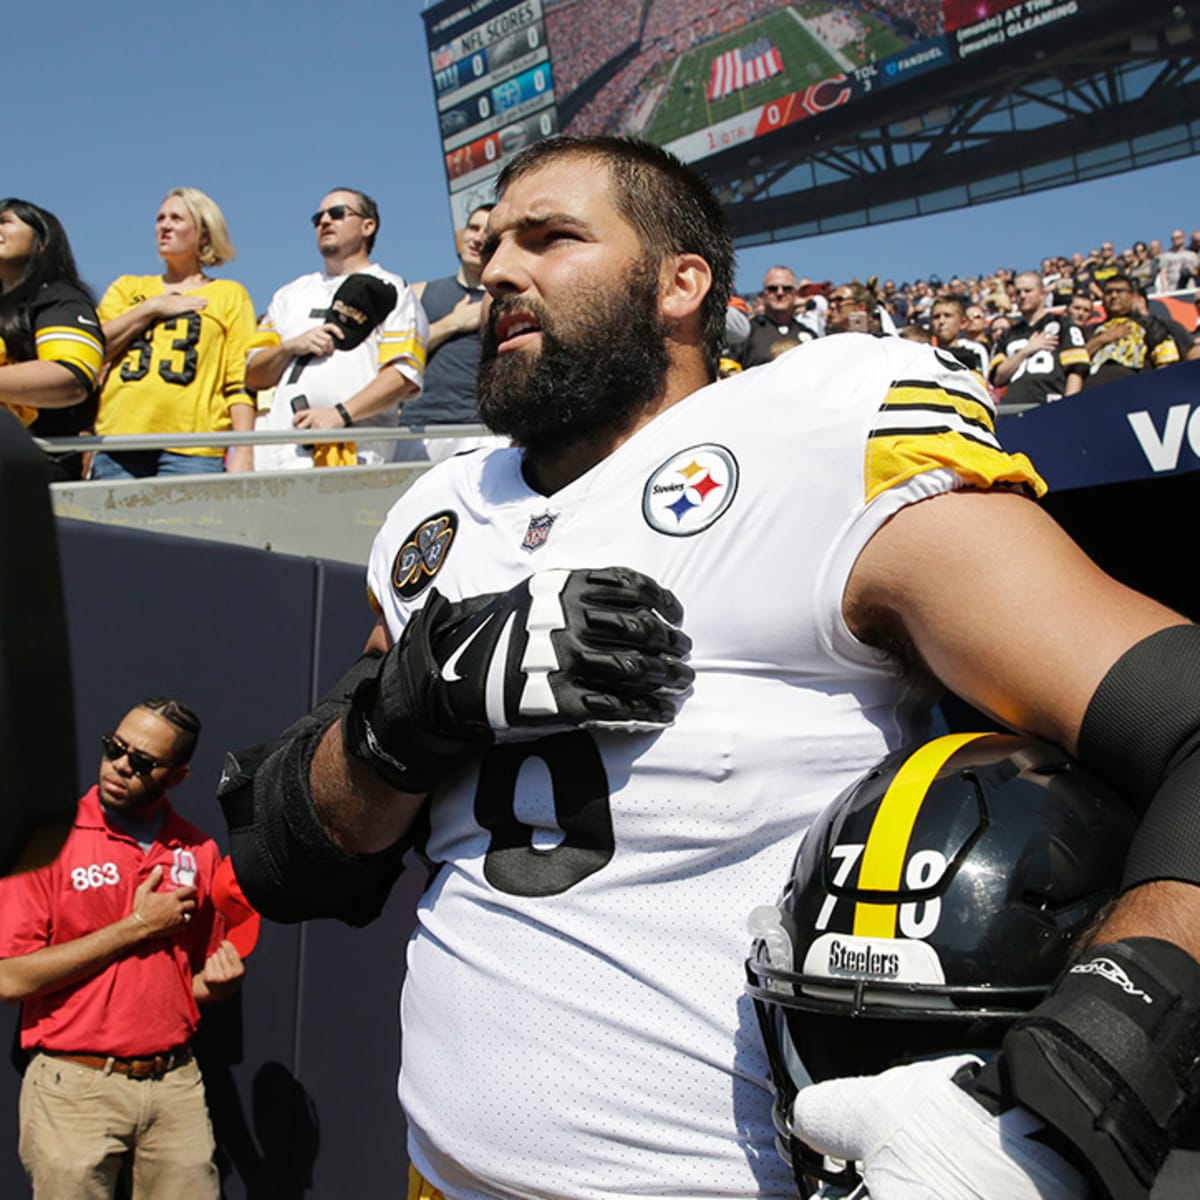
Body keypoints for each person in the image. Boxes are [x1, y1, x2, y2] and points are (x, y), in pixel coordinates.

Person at [222, 137, 1200, 1200]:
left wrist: (1089, 1074)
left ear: (680, 282)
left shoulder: (818, 438)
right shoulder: (442, 513)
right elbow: (293, 855)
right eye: (493, 242)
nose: (498, 269)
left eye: (551, 237)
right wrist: (407, 715)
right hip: (439, 1177)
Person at [0, 698, 244, 1198]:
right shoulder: (47, 840)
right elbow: (10, 978)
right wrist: (134, 926)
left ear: (176, 777)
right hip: (75, 1083)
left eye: (143, 762)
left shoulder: (197, 851)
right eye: (115, 748)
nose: (120, 767)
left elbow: (184, 980)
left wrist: (215, 986)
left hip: (175, 1083)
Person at [250, 189, 428, 470]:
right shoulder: (289, 294)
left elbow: (404, 375)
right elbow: (253, 373)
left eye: (336, 214)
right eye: (317, 217)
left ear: (367, 226)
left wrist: (340, 415)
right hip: (282, 454)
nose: (324, 221)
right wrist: (289, 347)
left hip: (357, 452)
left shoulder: (391, 289)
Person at [92, 188, 257, 478]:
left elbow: (239, 379)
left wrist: (244, 449)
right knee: (115, 525)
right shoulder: (127, 288)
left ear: (204, 234)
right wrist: (151, 308)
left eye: (176, 218)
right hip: (118, 440)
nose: (164, 226)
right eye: (160, 218)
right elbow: (92, 350)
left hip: (192, 447)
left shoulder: (229, 294)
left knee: (182, 526)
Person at [0, 200, 105, 481]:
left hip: (31, 471)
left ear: (42, 240)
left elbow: (71, 375)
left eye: (5, 221)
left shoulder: (58, 298)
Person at [990, 271, 1089, 406]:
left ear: (1042, 293)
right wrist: (1027, 350)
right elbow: (997, 378)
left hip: (1050, 404)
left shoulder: (1062, 323)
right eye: (1018, 292)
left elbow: (1076, 370)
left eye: (1028, 291)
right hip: (1013, 407)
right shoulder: (1008, 334)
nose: (1022, 296)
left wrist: (1069, 406)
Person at [1082, 272, 1181, 390]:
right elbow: (1074, 361)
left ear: (1133, 296)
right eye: (1108, 292)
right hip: (1089, 394)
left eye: (1120, 291)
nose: (1113, 296)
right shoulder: (1090, 330)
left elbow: (1167, 361)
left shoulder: (1150, 324)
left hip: (1133, 393)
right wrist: (1104, 338)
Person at [744, 266, 817, 366]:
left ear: (795, 294)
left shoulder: (809, 335)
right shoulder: (747, 331)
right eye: (772, 289)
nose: (780, 293)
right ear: (763, 294)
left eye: (787, 288)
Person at [928, 294, 988, 375]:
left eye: (947, 315)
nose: (941, 321)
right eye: (936, 317)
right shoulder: (926, 354)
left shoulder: (975, 350)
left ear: (963, 323)